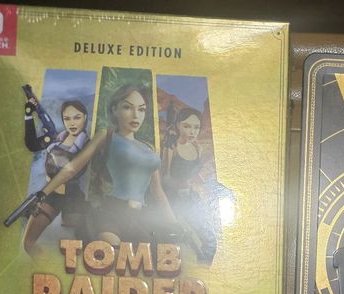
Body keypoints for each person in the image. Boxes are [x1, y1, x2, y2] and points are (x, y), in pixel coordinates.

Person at [29, 83, 181, 247]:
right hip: (109, 212)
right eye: (127, 107)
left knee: (151, 256)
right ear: (115, 109)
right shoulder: (106, 136)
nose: (136, 115)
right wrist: (42, 194)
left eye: (141, 109)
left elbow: (157, 191)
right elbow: (72, 168)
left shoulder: (149, 148)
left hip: (139, 217)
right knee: (112, 253)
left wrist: (175, 224)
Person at [22, 99, 90, 253]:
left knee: (76, 248)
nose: (72, 123)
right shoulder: (57, 138)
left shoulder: (88, 144)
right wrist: (28, 115)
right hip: (50, 195)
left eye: (77, 117)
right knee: (28, 244)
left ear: (85, 117)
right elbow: (32, 144)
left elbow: (73, 170)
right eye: (67, 118)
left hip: (73, 198)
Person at [161, 107, 217, 262]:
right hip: (174, 199)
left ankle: (204, 267)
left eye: (196, 127)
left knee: (210, 240)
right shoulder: (171, 146)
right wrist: (180, 185)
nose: (192, 132)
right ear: (178, 125)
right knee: (179, 241)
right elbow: (164, 177)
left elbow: (196, 174)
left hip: (191, 197)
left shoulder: (197, 147)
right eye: (187, 126)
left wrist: (196, 182)